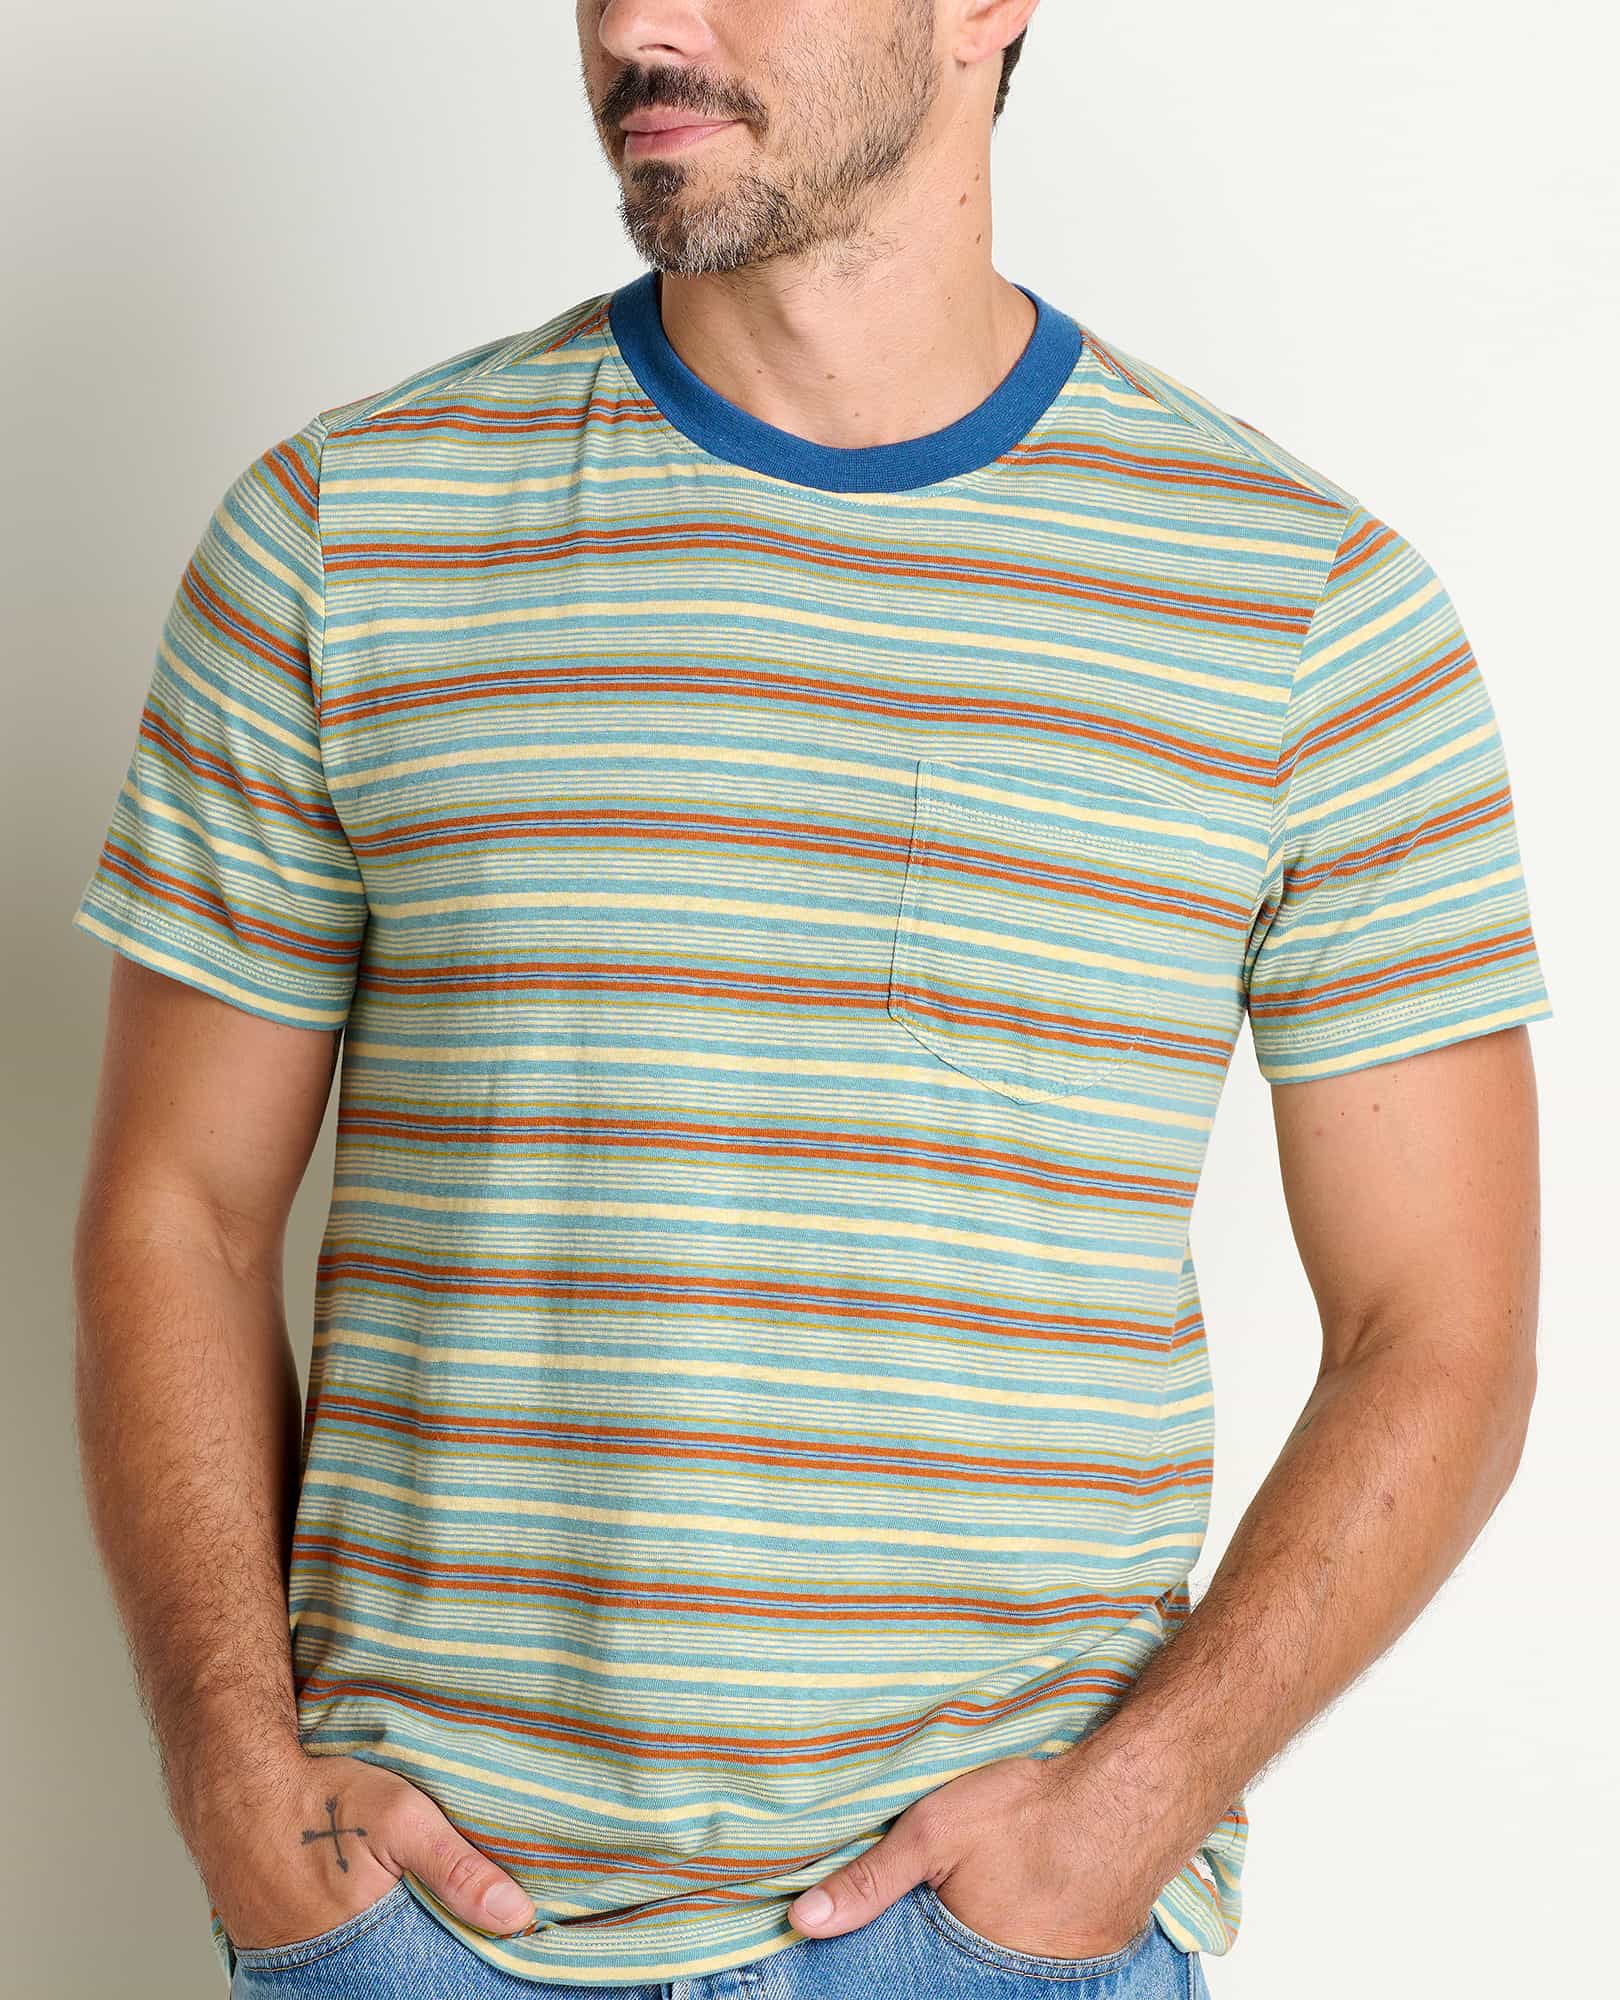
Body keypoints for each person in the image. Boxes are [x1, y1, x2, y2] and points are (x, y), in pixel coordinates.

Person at [68, 3, 1553, 1995]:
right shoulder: (345, 533)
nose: (635, 25)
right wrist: (239, 1783)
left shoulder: (1309, 613)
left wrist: (1123, 1819)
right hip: (429, 1926)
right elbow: (178, 1209)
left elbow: (1437, 1332)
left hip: (997, 1944)